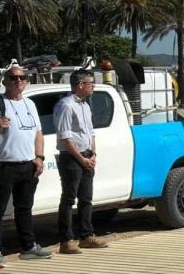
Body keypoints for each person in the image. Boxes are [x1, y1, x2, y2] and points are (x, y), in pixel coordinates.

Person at [0, 66, 52, 269]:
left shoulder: (30, 103)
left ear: (27, 82)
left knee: (24, 209)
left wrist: (39, 157)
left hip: (28, 165)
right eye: (13, 77)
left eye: (22, 77)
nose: (18, 80)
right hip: (3, 165)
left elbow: (38, 132)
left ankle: (28, 247)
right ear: (5, 81)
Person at [54, 70, 108, 255]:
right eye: (91, 83)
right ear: (80, 85)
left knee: (86, 198)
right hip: (71, 157)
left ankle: (86, 235)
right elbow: (65, 138)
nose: (93, 86)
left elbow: (90, 132)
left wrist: (92, 154)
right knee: (69, 199)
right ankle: (66, 240)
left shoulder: (85, 105)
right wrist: (81, 159)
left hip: (86, 155)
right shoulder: (66, 105)